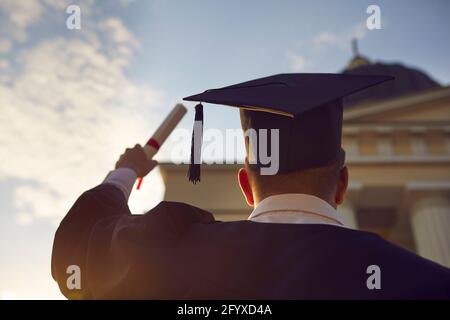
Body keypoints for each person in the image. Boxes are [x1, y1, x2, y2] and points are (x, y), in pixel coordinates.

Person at [52, 74, 450, 299]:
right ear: (342, 184)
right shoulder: (425, 282)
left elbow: (76, 247)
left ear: (245, 183)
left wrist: (126, 172)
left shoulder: (167, 254)